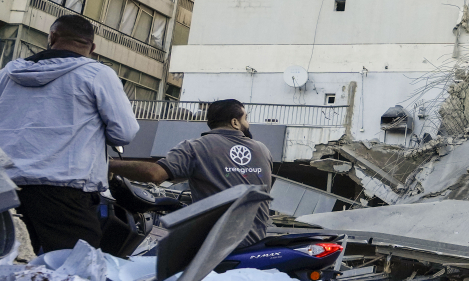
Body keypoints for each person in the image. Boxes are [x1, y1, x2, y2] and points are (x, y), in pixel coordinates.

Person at [0, 14, 139, 254]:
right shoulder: (97, 74)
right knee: (74, 271)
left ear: (52, 37)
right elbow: (124, 133)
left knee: (11, 268)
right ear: (92, 47)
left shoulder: (7, 74)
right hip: (64, 189)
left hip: (6, 188)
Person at [110, 99, 274, 246]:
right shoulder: (263, 150)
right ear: (235, 122)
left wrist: (108, 164)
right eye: (246, 118)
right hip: (256, 245)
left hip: (213, 251)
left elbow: (155, 174)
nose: (248, 123)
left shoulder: (196, 148)